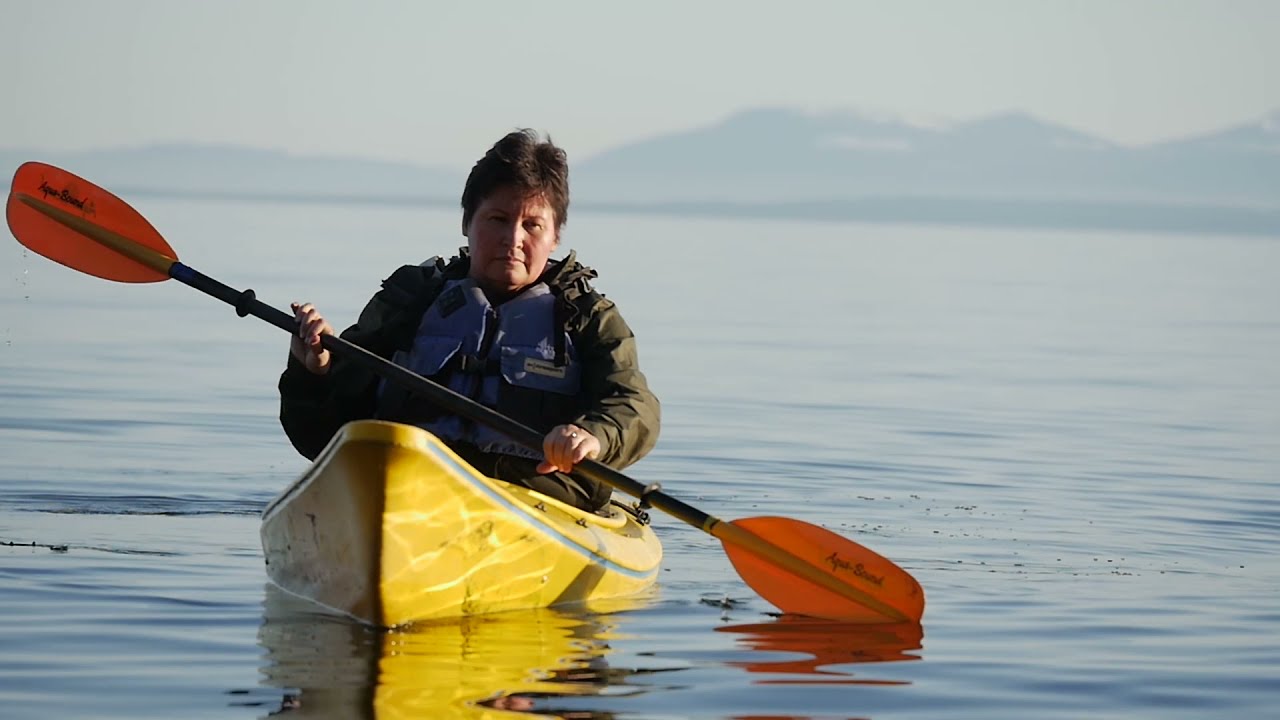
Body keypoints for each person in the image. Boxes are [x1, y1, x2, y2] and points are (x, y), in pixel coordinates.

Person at [278, 129, 659, 511]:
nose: (512, 239)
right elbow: (318, 438)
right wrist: (314, 371)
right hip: (408, 486)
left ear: (555, 236)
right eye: (497, 218)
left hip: (535, 499)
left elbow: (633, 404)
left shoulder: (589, 318)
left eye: (532, 225)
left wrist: (593, 436)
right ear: (467, 223)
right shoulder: (411, 299)